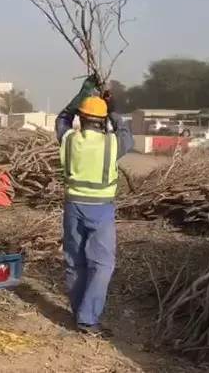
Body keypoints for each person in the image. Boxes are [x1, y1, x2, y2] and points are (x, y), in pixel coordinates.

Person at [55, 78, 134, 337]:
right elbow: (125, 134)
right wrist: (113, 109)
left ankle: (79, 313)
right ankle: (87, 319)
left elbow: (61, 119)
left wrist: (83, 94)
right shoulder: (112, 144)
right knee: (102, 265)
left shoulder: (68, 140)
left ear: (82, 118)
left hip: (73, 207)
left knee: (74, 262)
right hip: (100, 210)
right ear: (102, 121)